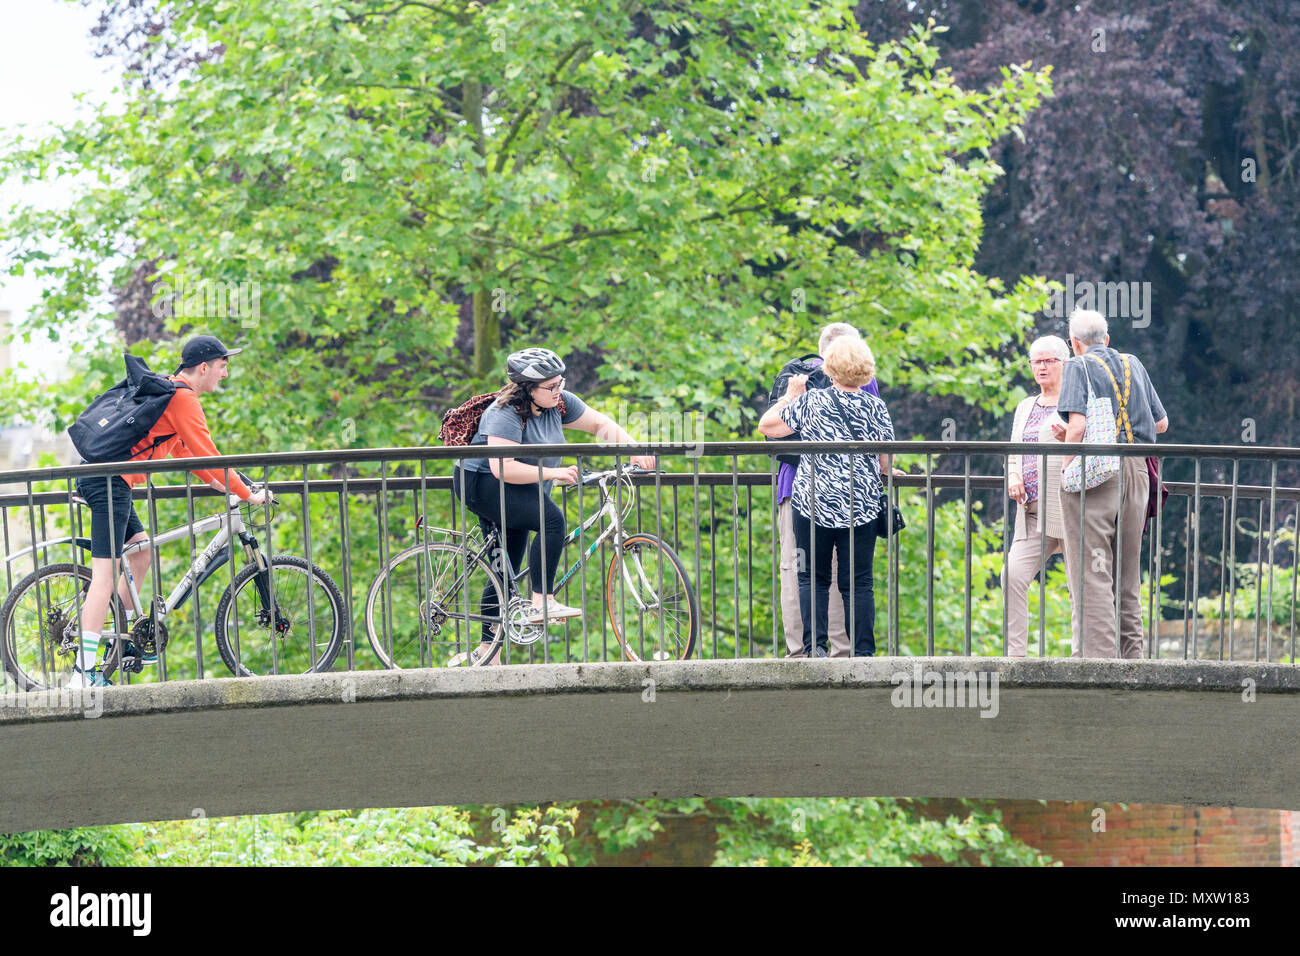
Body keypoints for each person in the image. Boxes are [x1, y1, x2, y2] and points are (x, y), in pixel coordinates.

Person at [69, 335, 271, 687]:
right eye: (223, 367)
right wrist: (248, 494)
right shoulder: (182, 398)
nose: (225, 374)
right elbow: (209, 454)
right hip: (108, 483)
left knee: (141, 553)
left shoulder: (171, 393)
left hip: (112, 481)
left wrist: (225, 485)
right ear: (204, 367)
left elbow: (189, 456)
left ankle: (124, 641)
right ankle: (82, 673)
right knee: (103, 574)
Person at [452, 347, 654, 664]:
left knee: (506, 570)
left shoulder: (558, 404)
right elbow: (502, 469)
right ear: (527, 389)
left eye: (560, 383)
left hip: (520, 485)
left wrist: (634, 448)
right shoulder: (504, 412)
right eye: (551, 386)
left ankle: (486, 651)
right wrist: (553, 473)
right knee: (552, 521)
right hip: (482, 484)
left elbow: (600, 426)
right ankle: (541, 602)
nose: (558, 391)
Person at [758, 334, 894, 658]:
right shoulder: (876, 407)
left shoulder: (811, 402)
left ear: (830, 368)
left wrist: (789, 397)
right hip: (860, 506)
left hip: (812, 502)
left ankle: (814, 648)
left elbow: (767, 427)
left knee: (812, 579)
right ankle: (862, 653)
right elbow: (885, 460)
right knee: (859, 581)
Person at [1052, 309, 1169, 658]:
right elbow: (1161, 424)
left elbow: (1077, 427)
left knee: (1092, 571)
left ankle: (1098, 665)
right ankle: (1133, 661)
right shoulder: (1133, 362)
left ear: (1075, 343)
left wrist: (1065, 468)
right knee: (1126, 574)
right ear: (1107, 338)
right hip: (1137, 472)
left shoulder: (1078, 365)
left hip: (1096, 474)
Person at [1004, 335, 1070, 657]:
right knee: (1012, 576)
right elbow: (1014, 451)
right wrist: (1013, 474)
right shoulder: (1025, 407)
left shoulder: (1075, 403)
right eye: (1036, 362)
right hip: (1031, 511)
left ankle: (1082, 657)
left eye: (1049, 361)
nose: (1042, 367)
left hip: (1070, 508)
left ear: (1064, 364)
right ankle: (1015, 657)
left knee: (1081, 584)